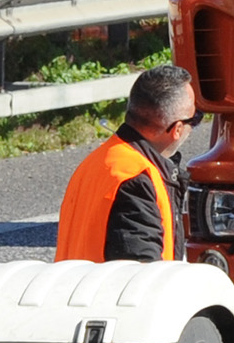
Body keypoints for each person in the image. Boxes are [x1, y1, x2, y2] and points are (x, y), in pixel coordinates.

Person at [56, 65, 194, 262]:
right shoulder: (137, 180)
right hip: (108, 292)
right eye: (195, 118)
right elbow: (139, 274)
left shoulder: (98, 161)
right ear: (177, 129)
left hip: (75, 289)